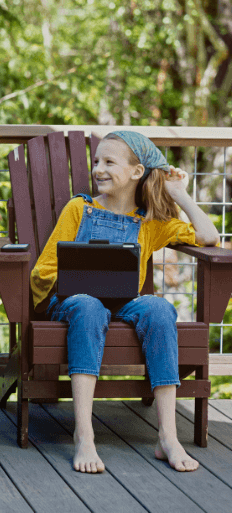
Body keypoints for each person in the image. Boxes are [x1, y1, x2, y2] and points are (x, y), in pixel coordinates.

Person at [30, 131, 220, 474]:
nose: (98, 168)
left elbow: (209, 237)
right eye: (97, 161)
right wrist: (73, 280)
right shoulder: (79, 208)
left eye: (109, 162)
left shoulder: (149, 222)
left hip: (125, 302)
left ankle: (168, 437)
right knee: (89, 306)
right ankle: (84, 435)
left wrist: (180, 193)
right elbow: (43, 270)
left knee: (160, 309)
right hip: (74, 303)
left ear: (136, 172)